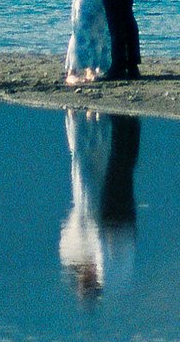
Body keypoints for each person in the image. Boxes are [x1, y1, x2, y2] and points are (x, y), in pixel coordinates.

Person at [58, 109, 141, 301]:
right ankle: (84, 117)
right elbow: (105, 247)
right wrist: (99, 230)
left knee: (93, 164)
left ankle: (92, 118)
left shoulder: (113, 278)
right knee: (86, 165)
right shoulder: (107, 274)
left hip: (116, 220)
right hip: (110, 220)